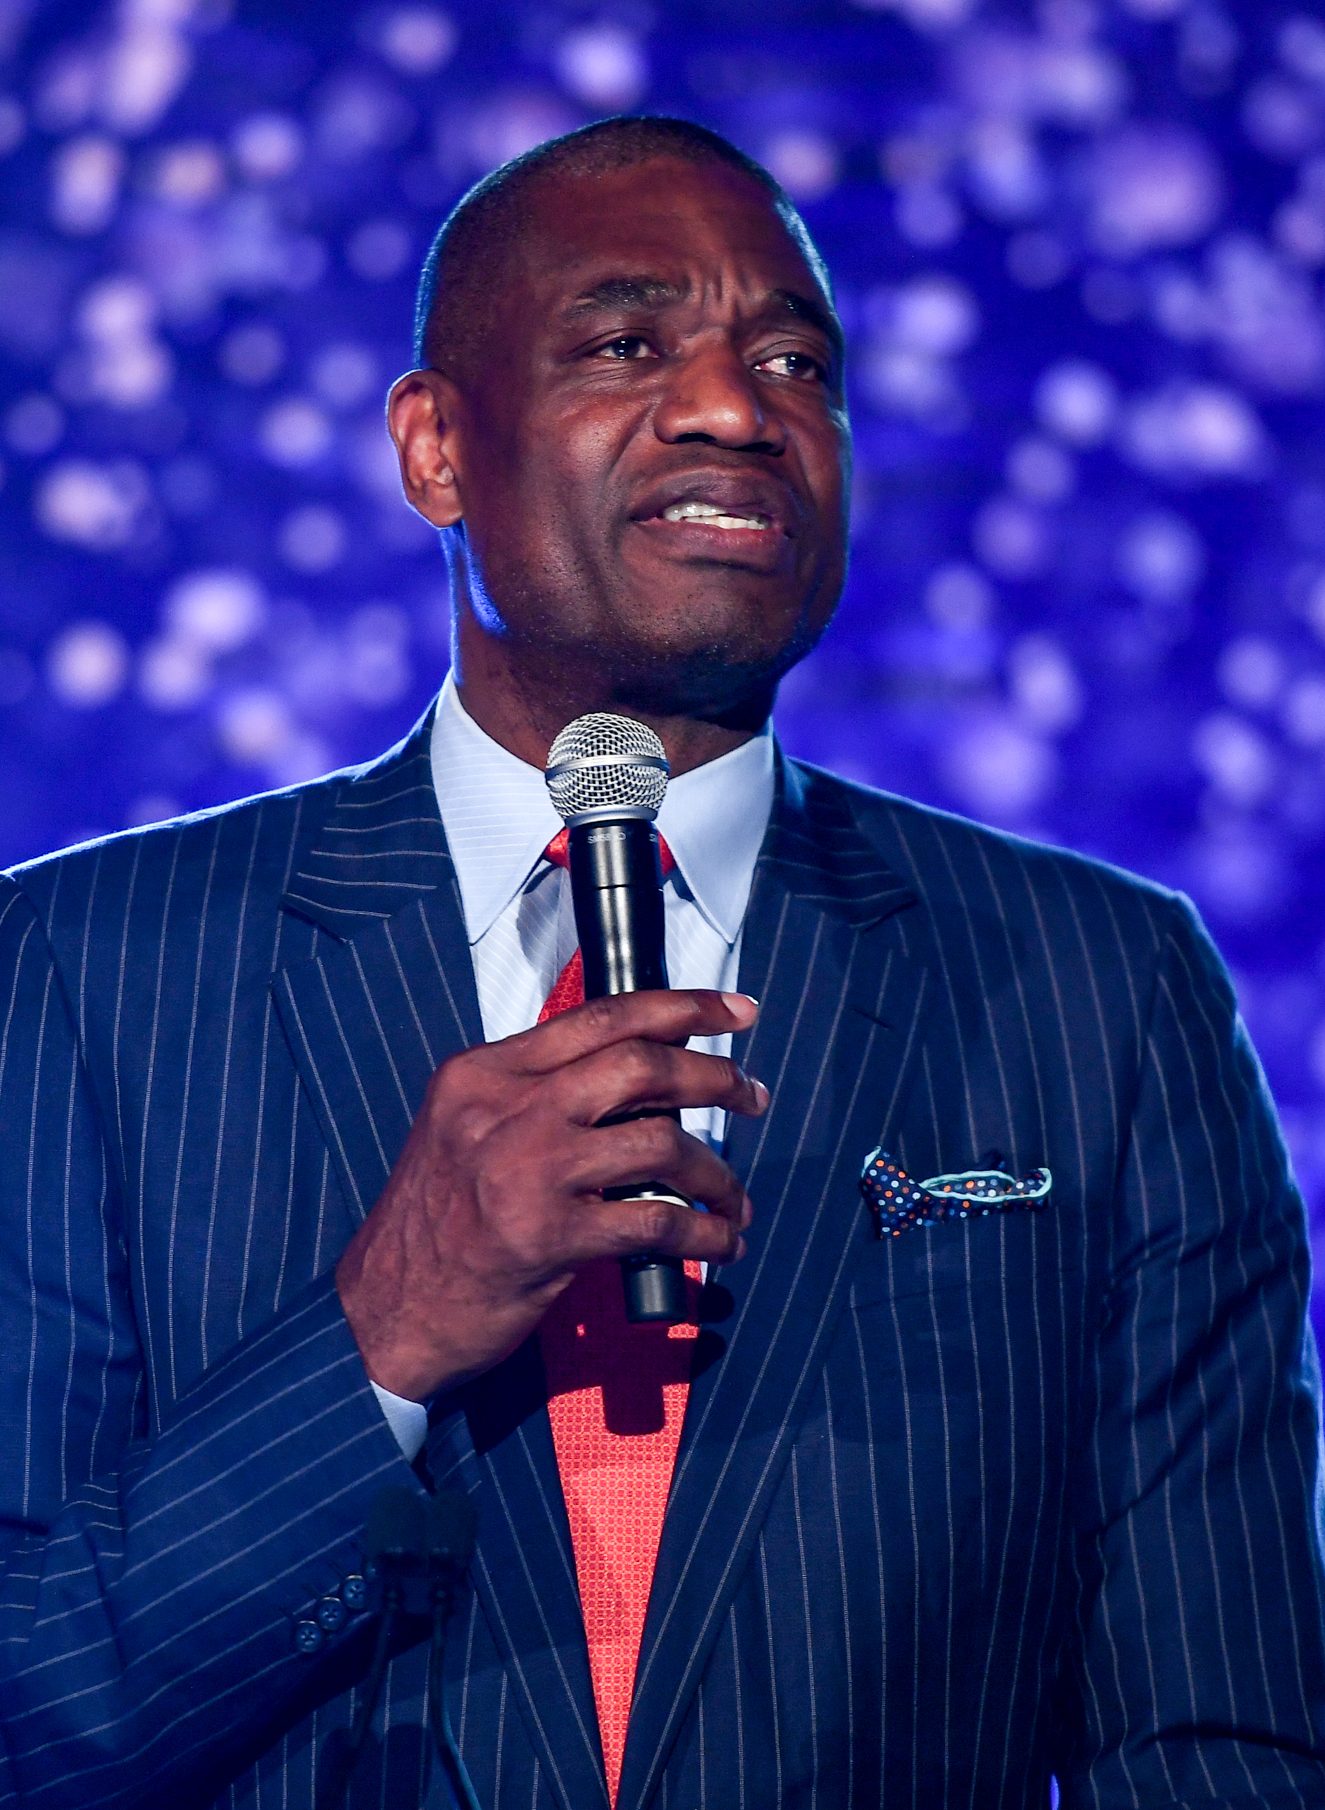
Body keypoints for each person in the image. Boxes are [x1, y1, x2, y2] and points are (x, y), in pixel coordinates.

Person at [1, 114, 1323, 1810]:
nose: (731, 407)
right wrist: (382, 1334)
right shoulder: (85, 971)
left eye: (794, 359)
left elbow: (1217, 1742)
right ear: (435, 450)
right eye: (627, 343)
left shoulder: (1103, 992)